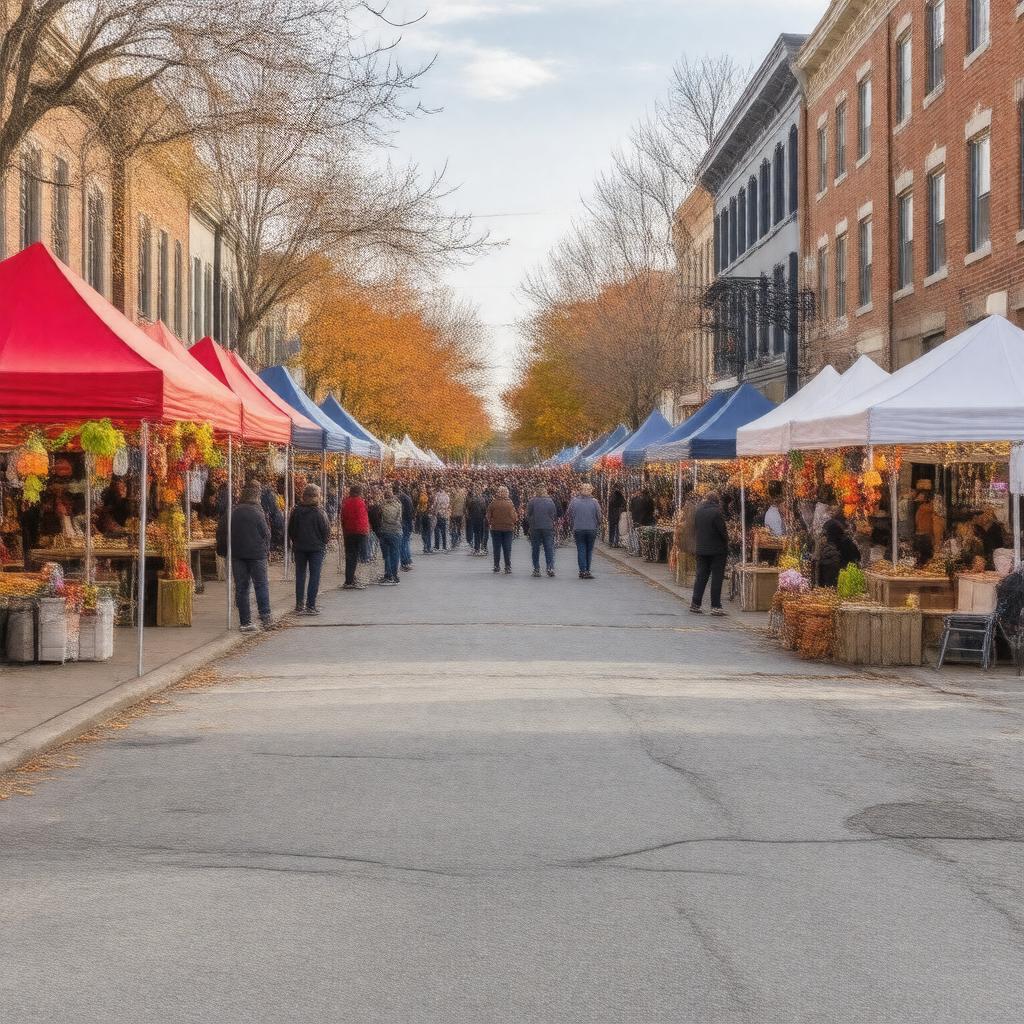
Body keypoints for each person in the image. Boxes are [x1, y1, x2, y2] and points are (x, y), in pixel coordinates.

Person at [218, 482, 273, 632]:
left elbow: (222, 533)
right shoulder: (258, 512)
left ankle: (245, 621)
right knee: (261, 584)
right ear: (256, 497)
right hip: (257, 555)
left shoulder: (231, 512)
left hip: (237, 554)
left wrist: (223, 551)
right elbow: (266, 533)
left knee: (242, 588)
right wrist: (267, 549)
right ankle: (266, 616)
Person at [287, 483, 331, 615]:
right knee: (314, 576)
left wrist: (296, 541)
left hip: (300, 547)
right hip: (316, 548)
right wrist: (323, 542)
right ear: (317, 496)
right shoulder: (320, 512)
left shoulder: (296, 511)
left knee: (300, 575)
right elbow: (326, 532)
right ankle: (311, 605)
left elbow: (291, 530)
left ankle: (299, 605)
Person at [690, 491, 728, 615]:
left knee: (701, 576)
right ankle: (715, 606)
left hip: (701, 549)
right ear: (717, 501)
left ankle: (695, 603)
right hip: (717, 550)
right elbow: (722, 531)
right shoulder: (717, 513)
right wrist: (726, 541)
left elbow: (695, 528)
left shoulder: (698, 511)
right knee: (716, 578)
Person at [567, 482, 602, 580]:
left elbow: (569, 514)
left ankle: (582, 570)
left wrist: (573, 524)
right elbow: (599, 515)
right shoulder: (595, 502)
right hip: (591, 528)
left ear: (580, 490)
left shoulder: (574, 501)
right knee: (589, 550)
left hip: (578, 528)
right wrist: (597, 524)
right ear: (591, 491)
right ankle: (587, 570)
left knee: (581, 549)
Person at [340, 484, 370, 590]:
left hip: (349, 532)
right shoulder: (361, 502)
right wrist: (366, 531)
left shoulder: (345, 503)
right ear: (359, 492)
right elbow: (364, 518)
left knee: (350, 557)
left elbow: (343, 518)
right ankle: (357, 578)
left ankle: (349, 580)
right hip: (360, 533)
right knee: (361, 557)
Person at [818, 518, 861, 588]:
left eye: (825, 534)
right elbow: (858, 558)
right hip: (847, 577)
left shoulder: (835, 544)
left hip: (840, 579)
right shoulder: (847, 541)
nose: (824, 536)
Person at [526, 485, 558, 578]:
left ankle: (536, 569)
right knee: (549, 548)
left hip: (535, 527)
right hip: (548, 527)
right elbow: (554, 514)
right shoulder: (550, 501)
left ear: (536, 491)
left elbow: (528, 514)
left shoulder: (532, 501)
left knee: (535, 548)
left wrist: (531, 524)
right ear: (545, 491)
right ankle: (550, 567)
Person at [486, 485, 517, 574]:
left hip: (496, 528)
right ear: (506, 493)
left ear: (498, 493)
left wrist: (492, 522)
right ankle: (507, 566)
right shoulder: (510, 503)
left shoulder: (493, 503)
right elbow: (514, 516)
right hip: (508, 528)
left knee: (497, 548)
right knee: (507, 548)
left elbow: (488, 515)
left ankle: (496, 566)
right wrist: (513, 521)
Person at [378, 489, 404, 585]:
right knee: (395, 554)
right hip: (397, 531)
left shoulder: (382, 505)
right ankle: (394, 576)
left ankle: (388, 575)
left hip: (385, 531)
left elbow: (380, 517)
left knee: (387, 555)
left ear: (385, 497)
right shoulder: (398, 505)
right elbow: (399, 518)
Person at [395, 482, 415, 571]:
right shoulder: (407, 497)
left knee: (402, 543)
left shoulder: (400, 499)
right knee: (406, 542)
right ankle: (408, 560)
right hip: (408, 522)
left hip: (403, 522)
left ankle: (405, 563)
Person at [467, 488, 488, 556]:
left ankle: (477, 548)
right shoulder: (483, 500)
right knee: (481, 533)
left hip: (474, 518)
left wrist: (471, 516)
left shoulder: (472, 501)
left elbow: (469, 509)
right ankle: (480, 547)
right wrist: (484, 516)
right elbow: (484, 510)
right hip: (481, 518)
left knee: (476, 533)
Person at [432, 485, 451, 552]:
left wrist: (434, 512)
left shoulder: (437, 495)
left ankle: (437, 546)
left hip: (438, 514)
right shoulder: (447, 496)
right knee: (444, 531)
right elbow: (448, 505)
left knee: (437, 530)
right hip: (444, 514)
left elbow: (434, 504)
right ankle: (444, 546)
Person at [450, 483, 467, 549]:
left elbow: (451, 504)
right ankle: (458, 537)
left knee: (454, 527)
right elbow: (464, 506)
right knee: (458, 526)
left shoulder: (454, 496)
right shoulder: (463, 497)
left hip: (454, 514)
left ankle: (455, 540)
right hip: (460, 514)